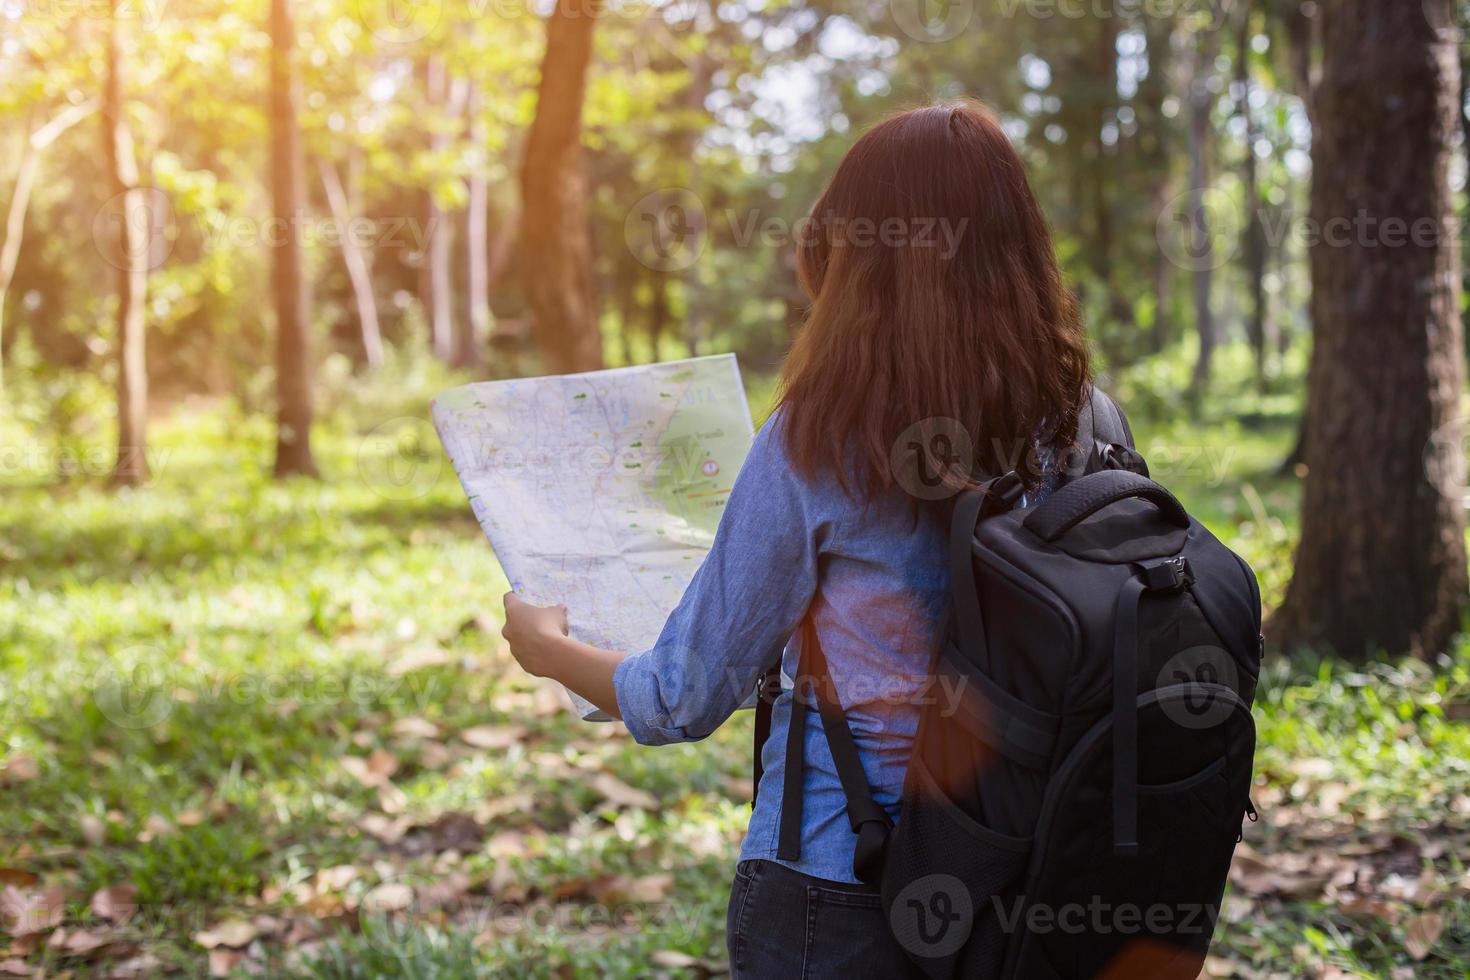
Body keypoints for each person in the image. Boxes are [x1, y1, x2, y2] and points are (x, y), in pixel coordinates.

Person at [499, 99, 1092, 977]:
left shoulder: (824, 439)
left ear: (859, 261)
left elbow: (680, 695)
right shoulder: (1079, 425)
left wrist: (548, 650)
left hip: (843, 883)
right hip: (1026, 876)